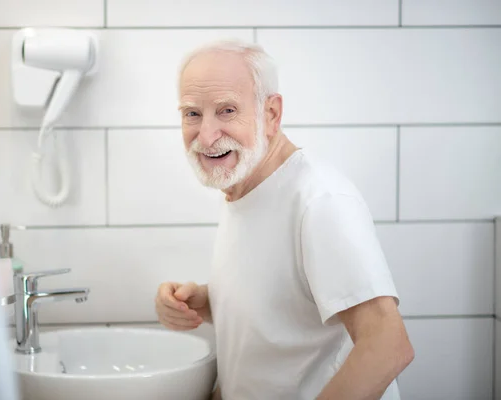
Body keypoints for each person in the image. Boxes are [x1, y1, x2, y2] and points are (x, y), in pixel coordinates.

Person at [155, 39, 414, 400]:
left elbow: (387, 345)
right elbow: (288, 304)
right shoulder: (243, 187)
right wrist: (205, 301)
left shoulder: (320, 200)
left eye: (227, 111)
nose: (207, 135)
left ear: (271, 114)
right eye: (192, 113)